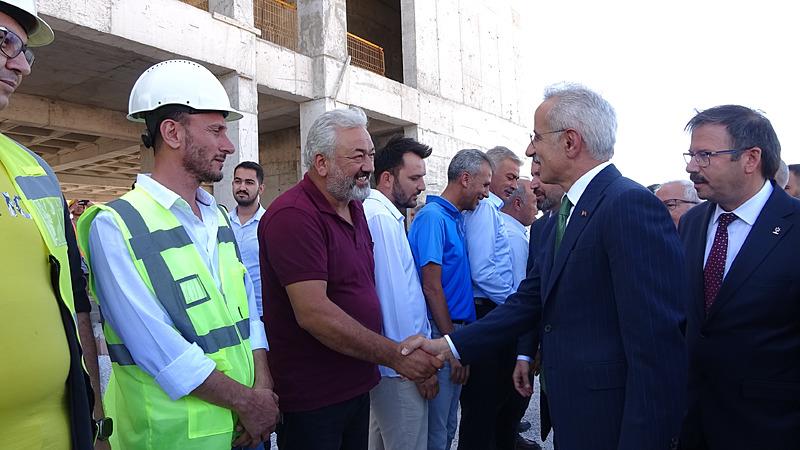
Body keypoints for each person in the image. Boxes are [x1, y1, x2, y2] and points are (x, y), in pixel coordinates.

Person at [403, 84, 688, 450]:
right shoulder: (563, 216)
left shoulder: (628, 205)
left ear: (570, 142)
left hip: (611, 421)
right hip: (577, 416)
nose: (529, 149)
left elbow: (655, 348)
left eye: (537, 137)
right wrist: (448, 346)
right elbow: (530, 299)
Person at [78, 59, 279, 449]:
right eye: (216, 130)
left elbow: (247, 316)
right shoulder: (116, 225)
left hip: (245, 429)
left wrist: (262, 392)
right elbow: (156, 346)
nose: (229, 145)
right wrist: (246, 402)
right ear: (171, 132)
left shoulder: (219, 218)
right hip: (174, 439)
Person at [258, 107, 440, 450]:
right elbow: (314, 314)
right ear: (321, 162)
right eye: (358, 156)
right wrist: (396, 356)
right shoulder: (294, 215)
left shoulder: (355, 207)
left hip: (358, 384)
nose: (369, 167)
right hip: (316, 398)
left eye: (370, 154)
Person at [0, 2, 97, 448]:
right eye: (5, 42)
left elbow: (74, 301)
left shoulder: (34, 170)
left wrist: (95, 414)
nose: (20, 66)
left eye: (25, 53)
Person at [678, 105, 800, 450]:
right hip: (693, 423)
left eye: (705, 155)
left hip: (772, 428)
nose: (691, 166)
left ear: (751, 159)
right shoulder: (692, 223)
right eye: (691, 155)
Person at [407, 148, 491, 450]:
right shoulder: (432, 218)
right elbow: (432, 287)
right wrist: (452, 345)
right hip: (443, 336)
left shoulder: (454, 218)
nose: (486, 192)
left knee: (447, 428)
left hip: (456, 334)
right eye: (484, 184)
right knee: (436, 433)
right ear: (465, 179)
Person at [460, 145, 536, 450]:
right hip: (490, 312)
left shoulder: (491, 210)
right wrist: (516, 305)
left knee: (491, 409)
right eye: (509, 176)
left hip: (495, 311)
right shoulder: (484, 210)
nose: (512, 183)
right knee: (482, 412)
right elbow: (482, 271)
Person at [364, 135, 435, 450]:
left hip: (394, 367)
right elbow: (393, 302)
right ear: (388, 178)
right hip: (400, 371)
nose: (421, 186)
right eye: (415, 178)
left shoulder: (386, 216)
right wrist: (415, 366)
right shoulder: (380, 218)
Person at [514, 158, 564, 445]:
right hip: (550, 373)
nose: (533, 185)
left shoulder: (614, 210)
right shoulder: (542, 229)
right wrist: (525, 353)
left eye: (539, 175)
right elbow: (532, 297)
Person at [230, 161, 266, 320]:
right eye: (238, 181)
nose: (242, 187)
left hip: (262, 314)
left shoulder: (269, 224)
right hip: (229, 312)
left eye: (249, 182)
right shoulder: (220, 223)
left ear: (261, 188)